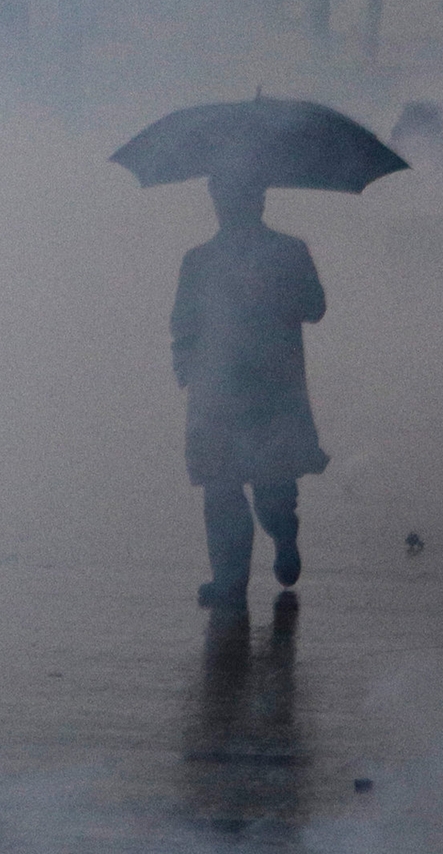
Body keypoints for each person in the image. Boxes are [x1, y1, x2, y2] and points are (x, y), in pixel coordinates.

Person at [172, 174, 328, 609]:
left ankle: (283, 533)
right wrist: (186, 365)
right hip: (216, 391)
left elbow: (315, 306)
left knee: (271, 484)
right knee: (220, 486)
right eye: (224, 196)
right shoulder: (199, 261)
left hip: (271, 391)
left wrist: (275, 292)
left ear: (259, 200)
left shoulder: (288, 253)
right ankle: (229, 580)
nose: (229, 205)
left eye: (239, 196)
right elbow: (183, 322)